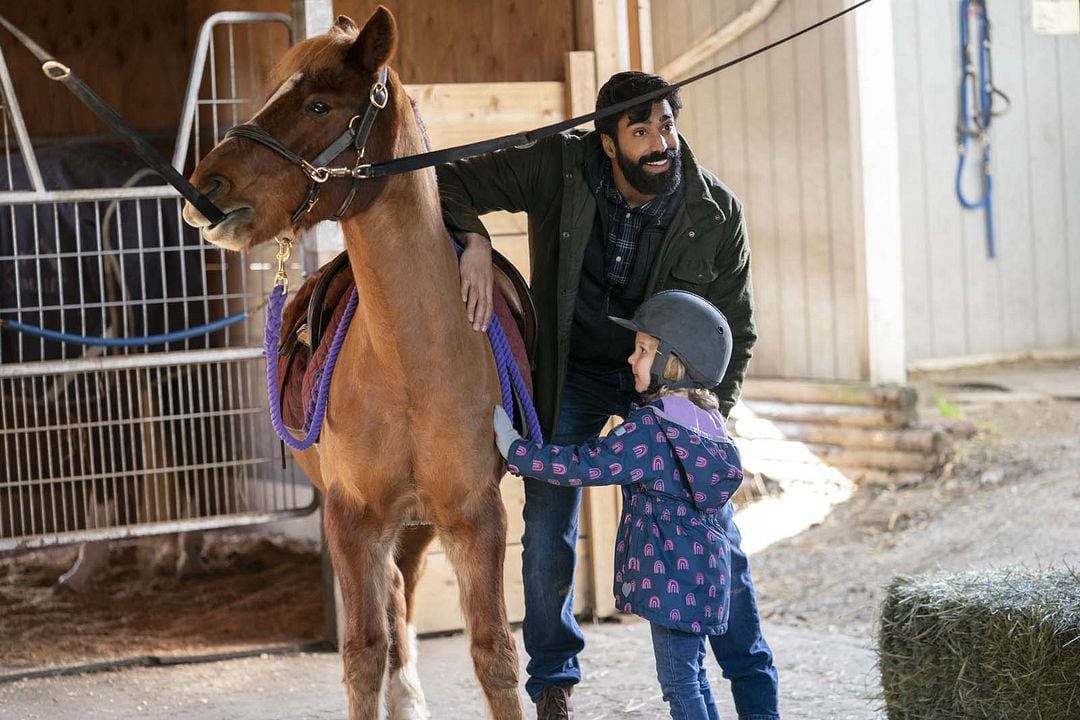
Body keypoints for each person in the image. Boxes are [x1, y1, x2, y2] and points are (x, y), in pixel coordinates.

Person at [438, 70, 779, 720]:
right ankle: (553, 682)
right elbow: (447, 178)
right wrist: (473, 240)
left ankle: (738, 655)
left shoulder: (714, 213)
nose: (661, 142)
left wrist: (709, 423)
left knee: (707, 520)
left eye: (668, 125)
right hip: (575, 369)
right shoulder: (557, 166)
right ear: (605, 141)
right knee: (547, 519)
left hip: (664, 380)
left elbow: (737, 325)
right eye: (642, 129)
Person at [493, 290, 743, 720]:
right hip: (705, 573)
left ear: (673, 363)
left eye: (644, 350)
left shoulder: (650, 428)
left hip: (670, 579)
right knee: (695, 676)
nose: (631, 360)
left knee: (679, 684)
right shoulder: (711, 424)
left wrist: (516, 449)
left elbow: (582, 464)